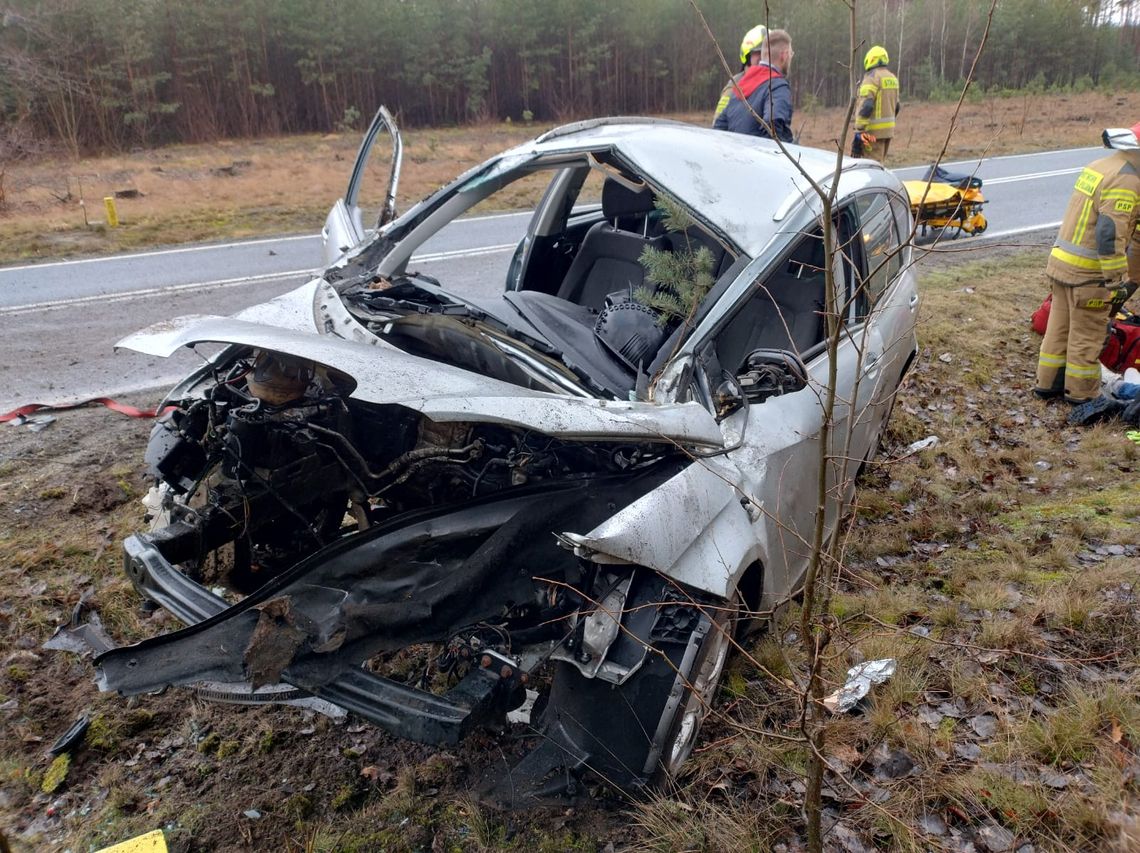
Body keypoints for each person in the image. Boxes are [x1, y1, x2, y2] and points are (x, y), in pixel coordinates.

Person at [1035, 123, 1140, 404]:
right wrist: (1117, 281)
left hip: (1062, 265)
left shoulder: (1100, 165)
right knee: (1087, 336)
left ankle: (1048, 385)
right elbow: (1109, 233)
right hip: (1090, 274)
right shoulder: (1127, 180)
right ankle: (1083, 396)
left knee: (1058, 330)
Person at [713, 29, 794, 143]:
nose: (791, 57)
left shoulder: (741, 84)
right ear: (784, 55)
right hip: (759, 159)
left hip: (736, 158)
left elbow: (719, 126)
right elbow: (774, 133)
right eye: (791, 53)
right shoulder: (777, 87)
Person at [852, 45, 900, 162]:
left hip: (872, 133)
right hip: (888, 132)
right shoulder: (892, 78)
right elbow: (897, 106)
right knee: (879, 165)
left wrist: (859, 130)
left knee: (871, 168)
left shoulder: (872, 77)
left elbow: (866, 105)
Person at [712, 24, 767, 123]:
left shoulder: (770, 85)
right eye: (759, 53)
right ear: (747, 55)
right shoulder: (733, 86)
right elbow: (717, 125)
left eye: (767, 54)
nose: (763, 58)